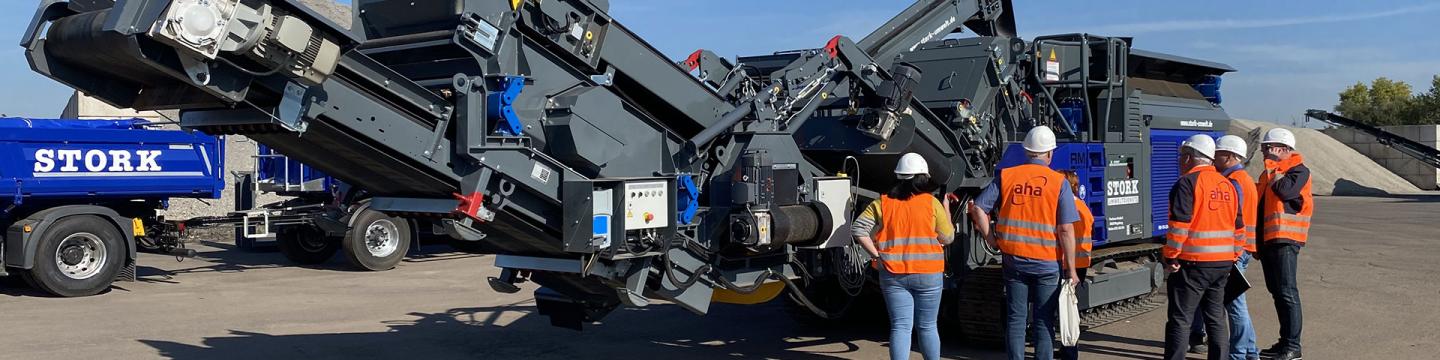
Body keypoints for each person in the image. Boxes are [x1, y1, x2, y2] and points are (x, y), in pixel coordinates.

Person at [968, 126, 1081, 360]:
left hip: (1014, 261)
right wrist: (1071, 269)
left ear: (1027, 151)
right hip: (1047, 263)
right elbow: (1066, 229)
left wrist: (991, 239)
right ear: (1049, 153)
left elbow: (978, 208)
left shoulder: (1007, 176)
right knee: (1043, 320)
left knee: (1016, 319)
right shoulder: (1058, 182)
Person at [852, 152, 955, 360]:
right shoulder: (931, 203)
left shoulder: (882, 203)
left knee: (901, 327)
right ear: (923, 178)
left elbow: (858, 229)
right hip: (928, 274)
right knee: (927, 326)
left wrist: (877, 256)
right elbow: (948, 238)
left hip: (893, 273)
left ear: (898, 176)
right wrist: (946, 210)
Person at [1162, 134, 1244, 360]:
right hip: (1223, 264)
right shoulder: (1227, 184)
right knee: (1216, 317)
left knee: (1181, 318)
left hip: (1192, 264)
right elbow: (1239, 226)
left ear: (1189, 158)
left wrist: (1171, 256)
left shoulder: (1187, 183)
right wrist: (1234, 255)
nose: (1179, 161)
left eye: (1181, 157)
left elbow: (1179, 225)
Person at [1189, 135, 1261, 359]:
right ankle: (1249, 351)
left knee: (1235, 305)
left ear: (1229, 156)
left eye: (1217, 154)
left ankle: (1239, 353)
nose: (1213, 157)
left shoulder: (1234, 182)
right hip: (1242, 248)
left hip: (1234, 251)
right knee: (1236, 303)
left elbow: (1231, 218)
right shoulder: (1243, 178)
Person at [1256, 128, 1311, 360]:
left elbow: (1286, 190)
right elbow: (1259, 210)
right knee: (1277, 292)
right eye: (1264, 148)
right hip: (1269, 241)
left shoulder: (1298, 170)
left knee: (1287, 293)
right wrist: (1257, 243)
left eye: (1269, 147)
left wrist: (1275, 169)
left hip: (1286, 240)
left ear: (1285, 149)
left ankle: (1293, 346)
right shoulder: (1268, 174)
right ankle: (1284, 341)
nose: (1264, 152)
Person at [1057, 170, 1093, 360]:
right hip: (1079, 262)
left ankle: (1069, 351)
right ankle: (1067, 349)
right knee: (1069, 307)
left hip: (1068, 263)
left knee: (1066, 309)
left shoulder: (1067, 208)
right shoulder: (1081, 206)